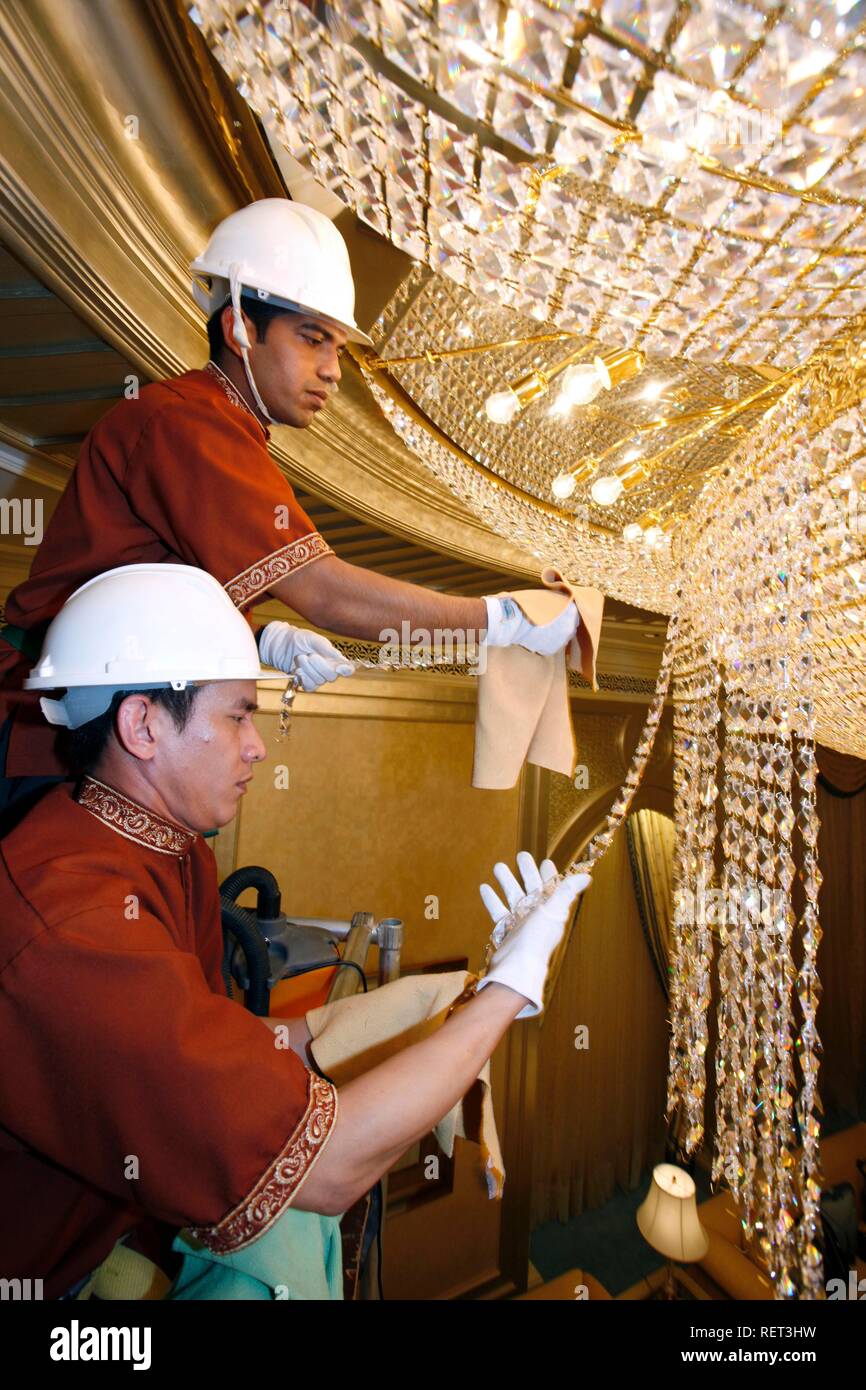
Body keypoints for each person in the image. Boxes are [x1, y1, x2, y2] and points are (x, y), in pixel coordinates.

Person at [0, 564, 590, 1299]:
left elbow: (213, 1041)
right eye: (238, 716)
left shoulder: (161, 847)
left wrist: (405, 1011)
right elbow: (329, 1168)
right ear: (142, 725)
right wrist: (512, 988)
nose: (258, 747)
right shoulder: (76, 926)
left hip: (98, 1238)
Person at [0, 199, 579, 813]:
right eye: (312, 340)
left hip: (92, 726)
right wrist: (502, 622)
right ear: (240, 328)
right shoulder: (189, 423)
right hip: (48, 731)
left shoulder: (217, 426)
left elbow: (147, 592)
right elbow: (329, 595)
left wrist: (260, 636)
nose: (333, 372)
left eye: (337, 349)